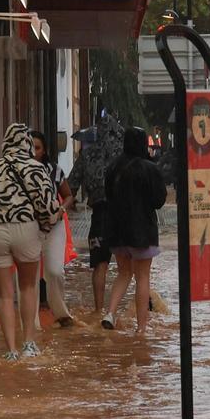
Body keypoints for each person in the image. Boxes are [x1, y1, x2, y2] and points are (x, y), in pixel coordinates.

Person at [0, 123, 63, 360]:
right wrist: (45, 228)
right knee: (28, 288)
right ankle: (29, 344)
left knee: (4, 294)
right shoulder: (36, 168)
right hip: (26, 230)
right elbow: (50, 207)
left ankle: (11, 349)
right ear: (27, 144)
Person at [101, 127, 166, 335]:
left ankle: (110, 313)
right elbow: (159, 200)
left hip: (117, 230)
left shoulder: (113, 167)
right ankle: (141, 328)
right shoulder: (150, 168)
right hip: (143, 231)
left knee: (123, 273)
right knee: (142, 277)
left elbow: (108, 196)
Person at [67, 111, 124, 313]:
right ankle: (122, 312)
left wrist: (69, 204)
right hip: (124, 215)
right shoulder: (123, 154)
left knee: (100, 264)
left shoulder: (87, 155)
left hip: (100, 215)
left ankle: (99, 310)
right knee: (129, 267)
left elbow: (70, 187)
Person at [29, 130, 76, 328]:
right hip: (28, 228)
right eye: (31, 147)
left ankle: (61, 314)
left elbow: (69, 195)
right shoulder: (18, 171)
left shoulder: (54, 170)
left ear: (45, 150)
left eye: (38, 148)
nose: (34, 152)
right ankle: (31, 324)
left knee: (55, 271)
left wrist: (60, 210)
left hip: (53, 226)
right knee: (29, 275)